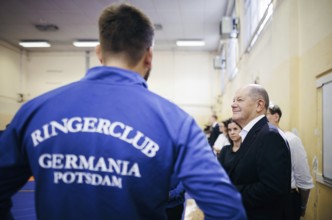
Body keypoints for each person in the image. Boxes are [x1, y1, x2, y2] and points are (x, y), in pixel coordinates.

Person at [0, 3, 246, 220]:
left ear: (99, 52)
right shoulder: (174, 121)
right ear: (149, 56)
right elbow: (226, 208)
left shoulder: (36, 111)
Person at [230, 84, 291, 220]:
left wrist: (231, 192)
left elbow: (271, 189)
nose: (233, 105)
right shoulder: (254, 134)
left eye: (239, 100)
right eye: (233, 100)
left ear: (259, 105)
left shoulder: (269, 135)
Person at [267, 104, 314, 220]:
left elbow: (303, 178)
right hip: (264, 201)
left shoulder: (291, 140)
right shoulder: (258, 141)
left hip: (287, 201)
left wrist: (302, 205)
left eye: (265, 115)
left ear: (276, 117)